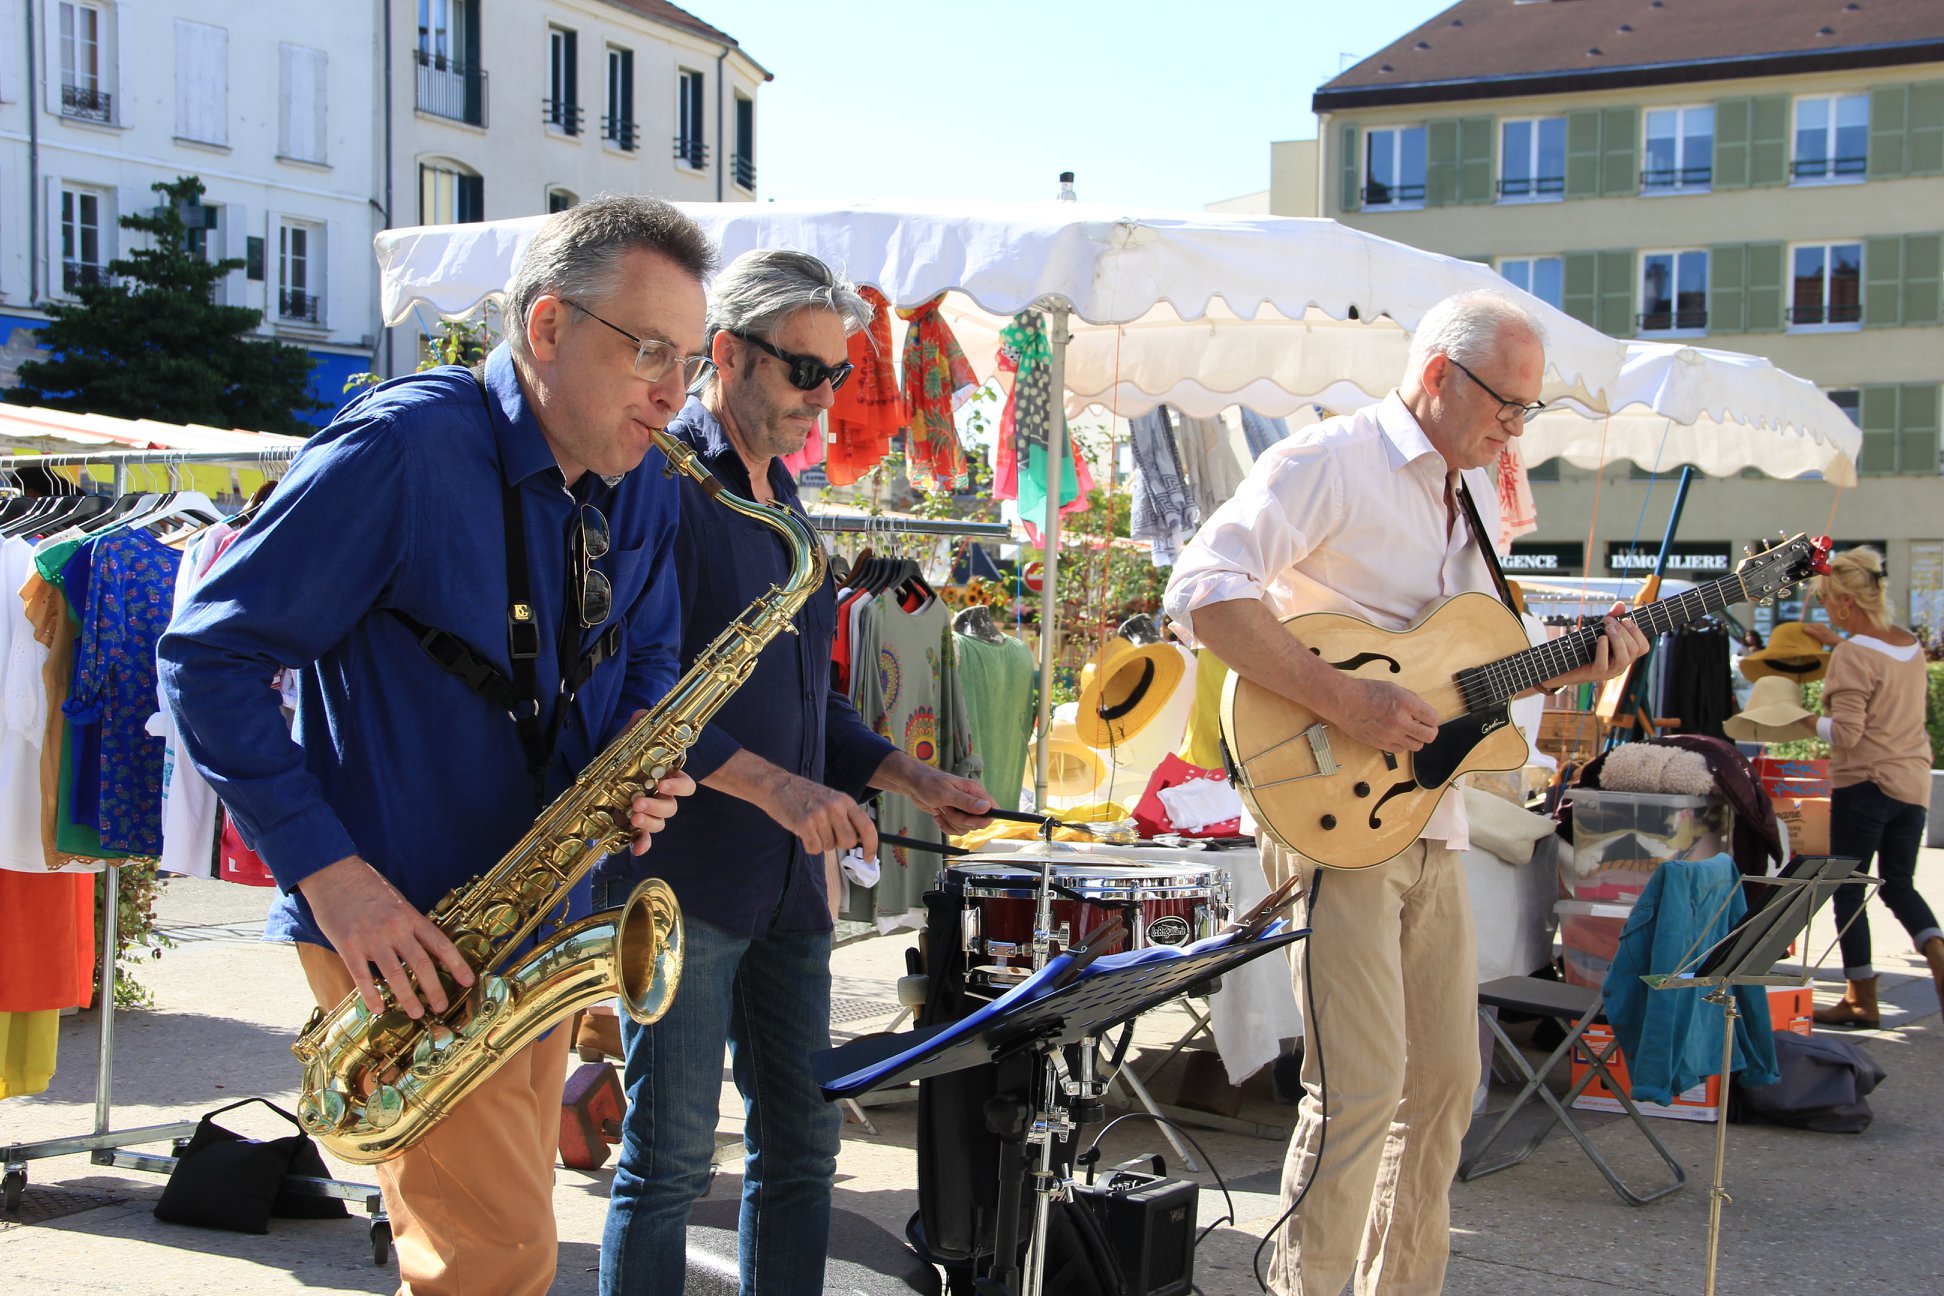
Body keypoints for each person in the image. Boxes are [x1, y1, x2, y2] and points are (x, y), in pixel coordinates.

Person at [158, 196, 716, 1296]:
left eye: (691, 362)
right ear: (547, 328)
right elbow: (206, 659)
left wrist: (642, 763)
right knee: (491, 1260)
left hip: (539, 918)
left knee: (490, 1250)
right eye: (649, 350)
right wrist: (334, 881)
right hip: (404, 931)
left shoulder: (643, 475)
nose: (674, 392)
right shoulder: (399, 450)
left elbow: (647, 657)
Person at [1162, 290, 1648, 1296]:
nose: (1516, 428)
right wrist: (1346, 698)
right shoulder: (1327, 462)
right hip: (1339, 812)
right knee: (1360, 1088)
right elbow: (1204, 592)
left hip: (1437, 817)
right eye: (1507, 405)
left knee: (1446, 1089)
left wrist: (1574, 668)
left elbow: (1465, 677)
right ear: (1438, 375)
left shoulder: (1475, 500)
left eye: (1527, 411)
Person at [594, 249, 995, 1296]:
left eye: (838, 376)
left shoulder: (786, 500)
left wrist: (907, 774)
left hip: (785, 889)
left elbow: (808, 702)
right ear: (725, 355)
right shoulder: (664, 486)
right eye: (804, 372)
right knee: (671, 1160)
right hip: (682, 877)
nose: (825, 399)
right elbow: (637, 705)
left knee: (805, 1151)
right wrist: (779, 789)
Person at [1803, 547, 1941, 1027]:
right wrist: (1832, 639)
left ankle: (1861, 998)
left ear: (1844, 601)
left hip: (1864, 782)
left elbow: (1846, 734)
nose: (1822, 608)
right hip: (1911, 781)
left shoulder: (1851, 654)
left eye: (1824, 600)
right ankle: (1936, 949)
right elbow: (1880, 675)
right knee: (1898, 884)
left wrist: (1798, 721)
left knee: (1848, 887)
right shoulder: (1908, 644)